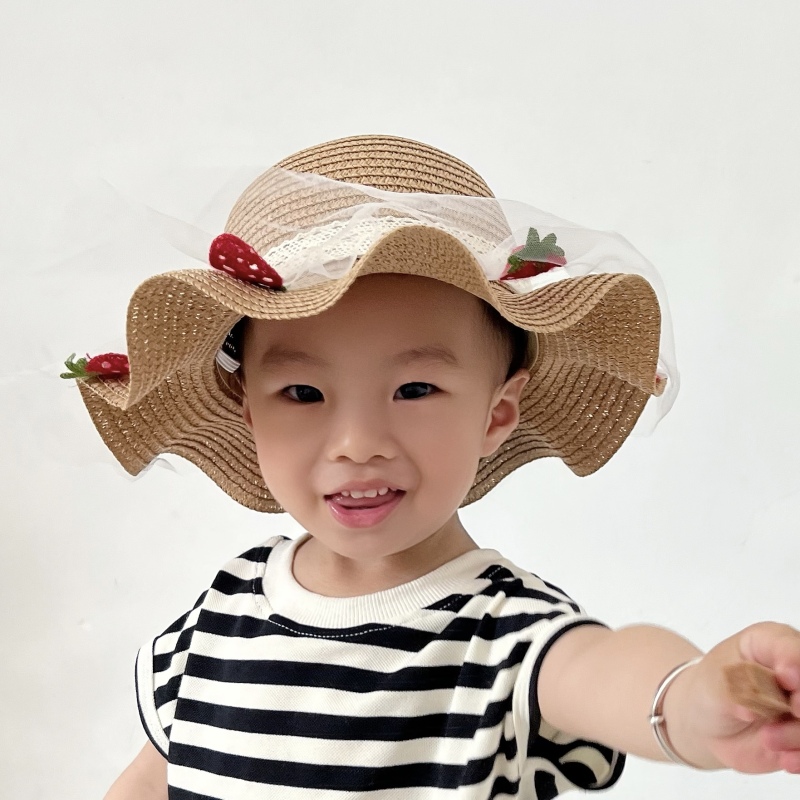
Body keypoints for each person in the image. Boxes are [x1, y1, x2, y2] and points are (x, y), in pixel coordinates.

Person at [64, 135, 800, 799]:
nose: (357, 443)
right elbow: (153, 778)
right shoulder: (220, 615)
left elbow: (606, 672)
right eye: (303, 393)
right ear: (249, 410)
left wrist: (692, 698)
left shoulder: (504, 635)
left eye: (415, 390)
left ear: (496, 414)